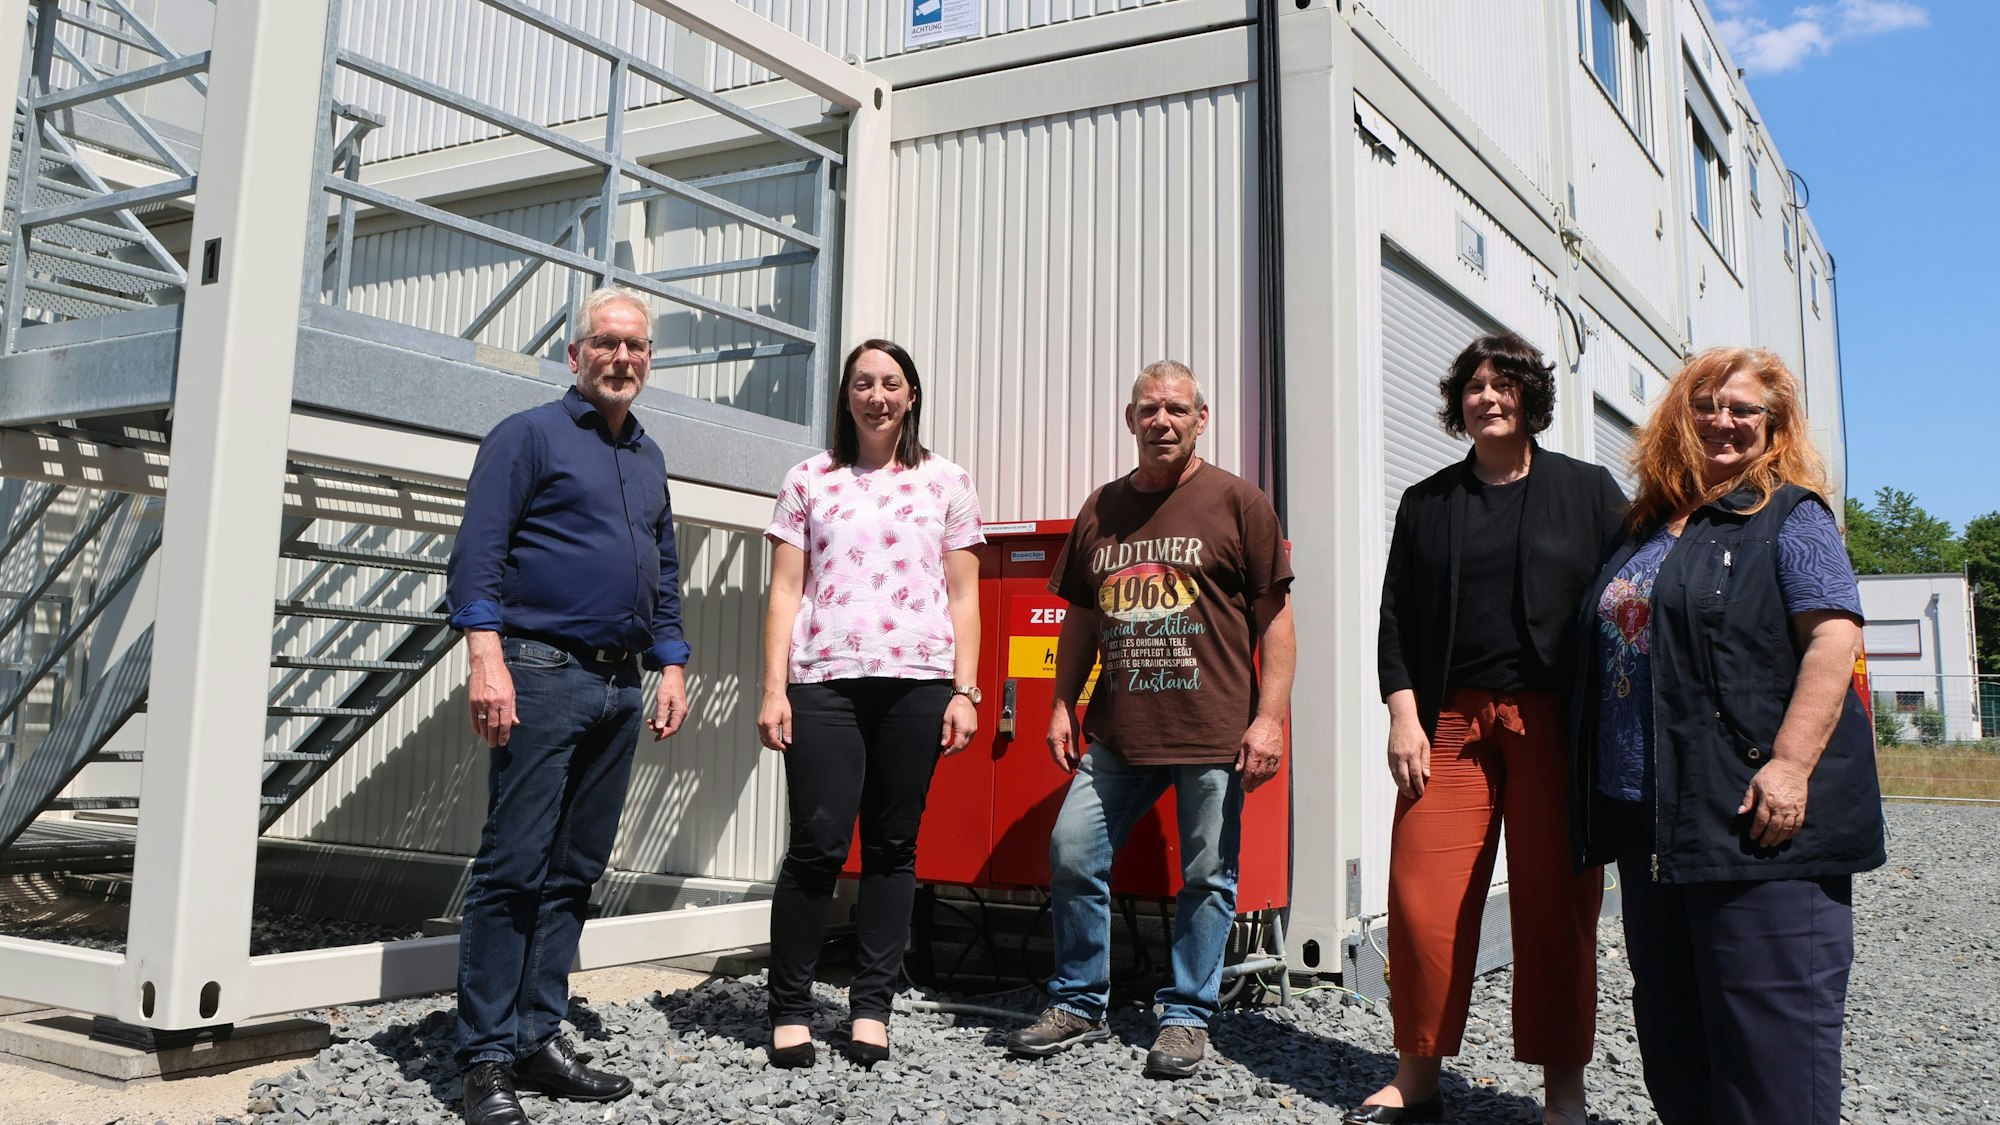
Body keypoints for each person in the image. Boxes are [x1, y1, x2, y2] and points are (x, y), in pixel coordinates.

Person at [1571, 347, 1882, 1124]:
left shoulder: (1790, 514)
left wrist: (1789, 764)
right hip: (1653, 824)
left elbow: (1833, 639)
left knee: (1767, 1048)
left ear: (1774, 427)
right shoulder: (1642, 527)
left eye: (1745, 409)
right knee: (1676, 1039)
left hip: (1748, 816)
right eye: (1707, 403)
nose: (1723, 420)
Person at [1358, 334, 1625, 1125]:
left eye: (1504, 383)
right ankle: (1417, 1075)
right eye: (1474, 384)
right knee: (1421, 899)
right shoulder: (1429, 501)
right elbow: (1396, 615)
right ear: (1459, 401)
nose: (1488, 396)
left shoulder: (1589, 492)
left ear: (1530, 397)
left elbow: (1627, 605)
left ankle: (1563, 1093)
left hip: (1553, 721)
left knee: (1557, 906)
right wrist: (1403, 711)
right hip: (1446, 720)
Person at [1004, 360, 1294, 1080]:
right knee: (1074, 848)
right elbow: (1079, 618)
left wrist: (1270, 719)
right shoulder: (1101, 508)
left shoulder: (1239, 502)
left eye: (1176, 409)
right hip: (1119, 731)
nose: (1161, 420)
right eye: (1148, 409)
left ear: (1202, 418)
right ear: (1130, 419)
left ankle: (1187, 1015)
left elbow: (1277, 620)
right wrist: (1062, 702)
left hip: (1213, 729)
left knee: (1208, 874)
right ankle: (1077, 1000)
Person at [444, 287, 691, 1125]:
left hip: (623, 685)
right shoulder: (527, 436)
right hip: (540, 670)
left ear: (649, 359)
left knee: (575, 870)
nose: (623, 359)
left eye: (637, 347)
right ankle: (482, 1056)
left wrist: (672, 662)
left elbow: (663, 567)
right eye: (607, 343)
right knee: (513, 865)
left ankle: (535, 1035)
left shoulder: (649, 456)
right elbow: (477, 553)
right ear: (576, 353)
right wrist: (486, 657)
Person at [756, 339, 985, 1069]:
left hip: (918, 680)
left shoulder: (946, 480)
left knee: (892, 846)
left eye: (891, 383)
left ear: (911, 394)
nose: (876, 395)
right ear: (846, 396)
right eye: (863, 383)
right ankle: (791, 1006)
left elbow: (964, 594)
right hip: (823, 677)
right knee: (818, 845)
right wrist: (772, 688)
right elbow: (786, 589)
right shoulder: (808, 479)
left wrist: (966, 689)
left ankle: (871, 1006)